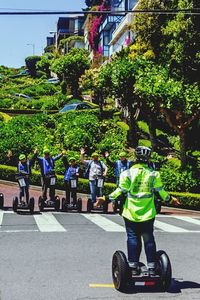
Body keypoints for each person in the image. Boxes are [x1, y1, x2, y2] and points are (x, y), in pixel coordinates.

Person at [96, 146, 180, 276]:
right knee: (149, 239)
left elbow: (120, 191)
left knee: (132, 237)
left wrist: (105, 198)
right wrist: (171, 199)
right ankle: (152, 267)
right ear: (148, 158)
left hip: (130, 212)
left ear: (136, 157)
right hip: (148, 213)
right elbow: (161, 193)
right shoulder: (153, 174)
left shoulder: (127, 173)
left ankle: (133, 267)